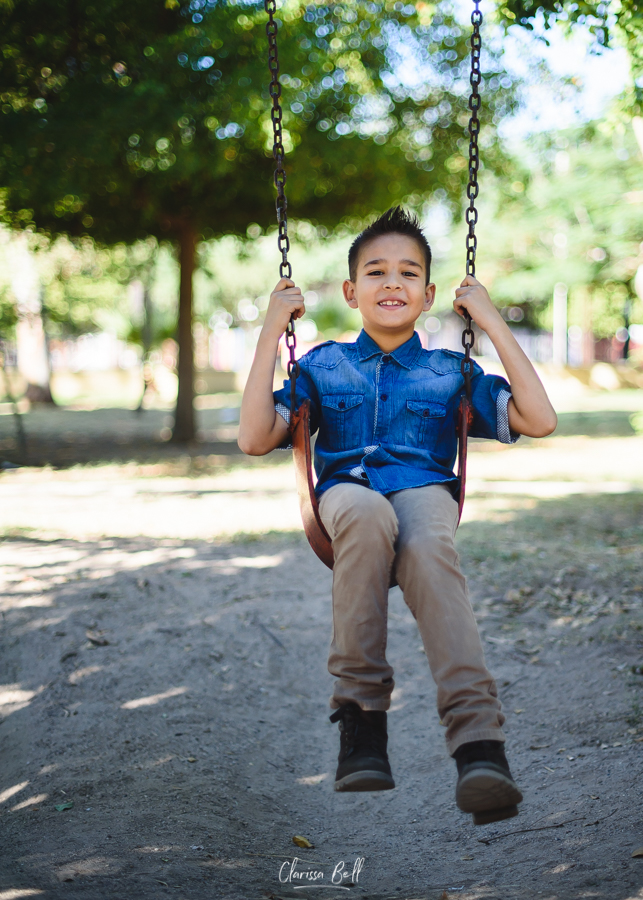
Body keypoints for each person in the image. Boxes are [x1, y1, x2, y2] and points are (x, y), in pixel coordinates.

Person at [238, 207, 557, 825]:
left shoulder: (451, 372)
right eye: (376, 271)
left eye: (408, 273)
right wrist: (269, 331)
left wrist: (489, 319)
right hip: (347, 495)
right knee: (363, 513)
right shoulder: (322, 366)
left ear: (430, 293)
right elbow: (255, 437)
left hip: (426, 493)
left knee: (427, 547)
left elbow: (539, 419)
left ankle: (480, 749)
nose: (392, 283)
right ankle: (361, 727)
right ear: (351, 291)